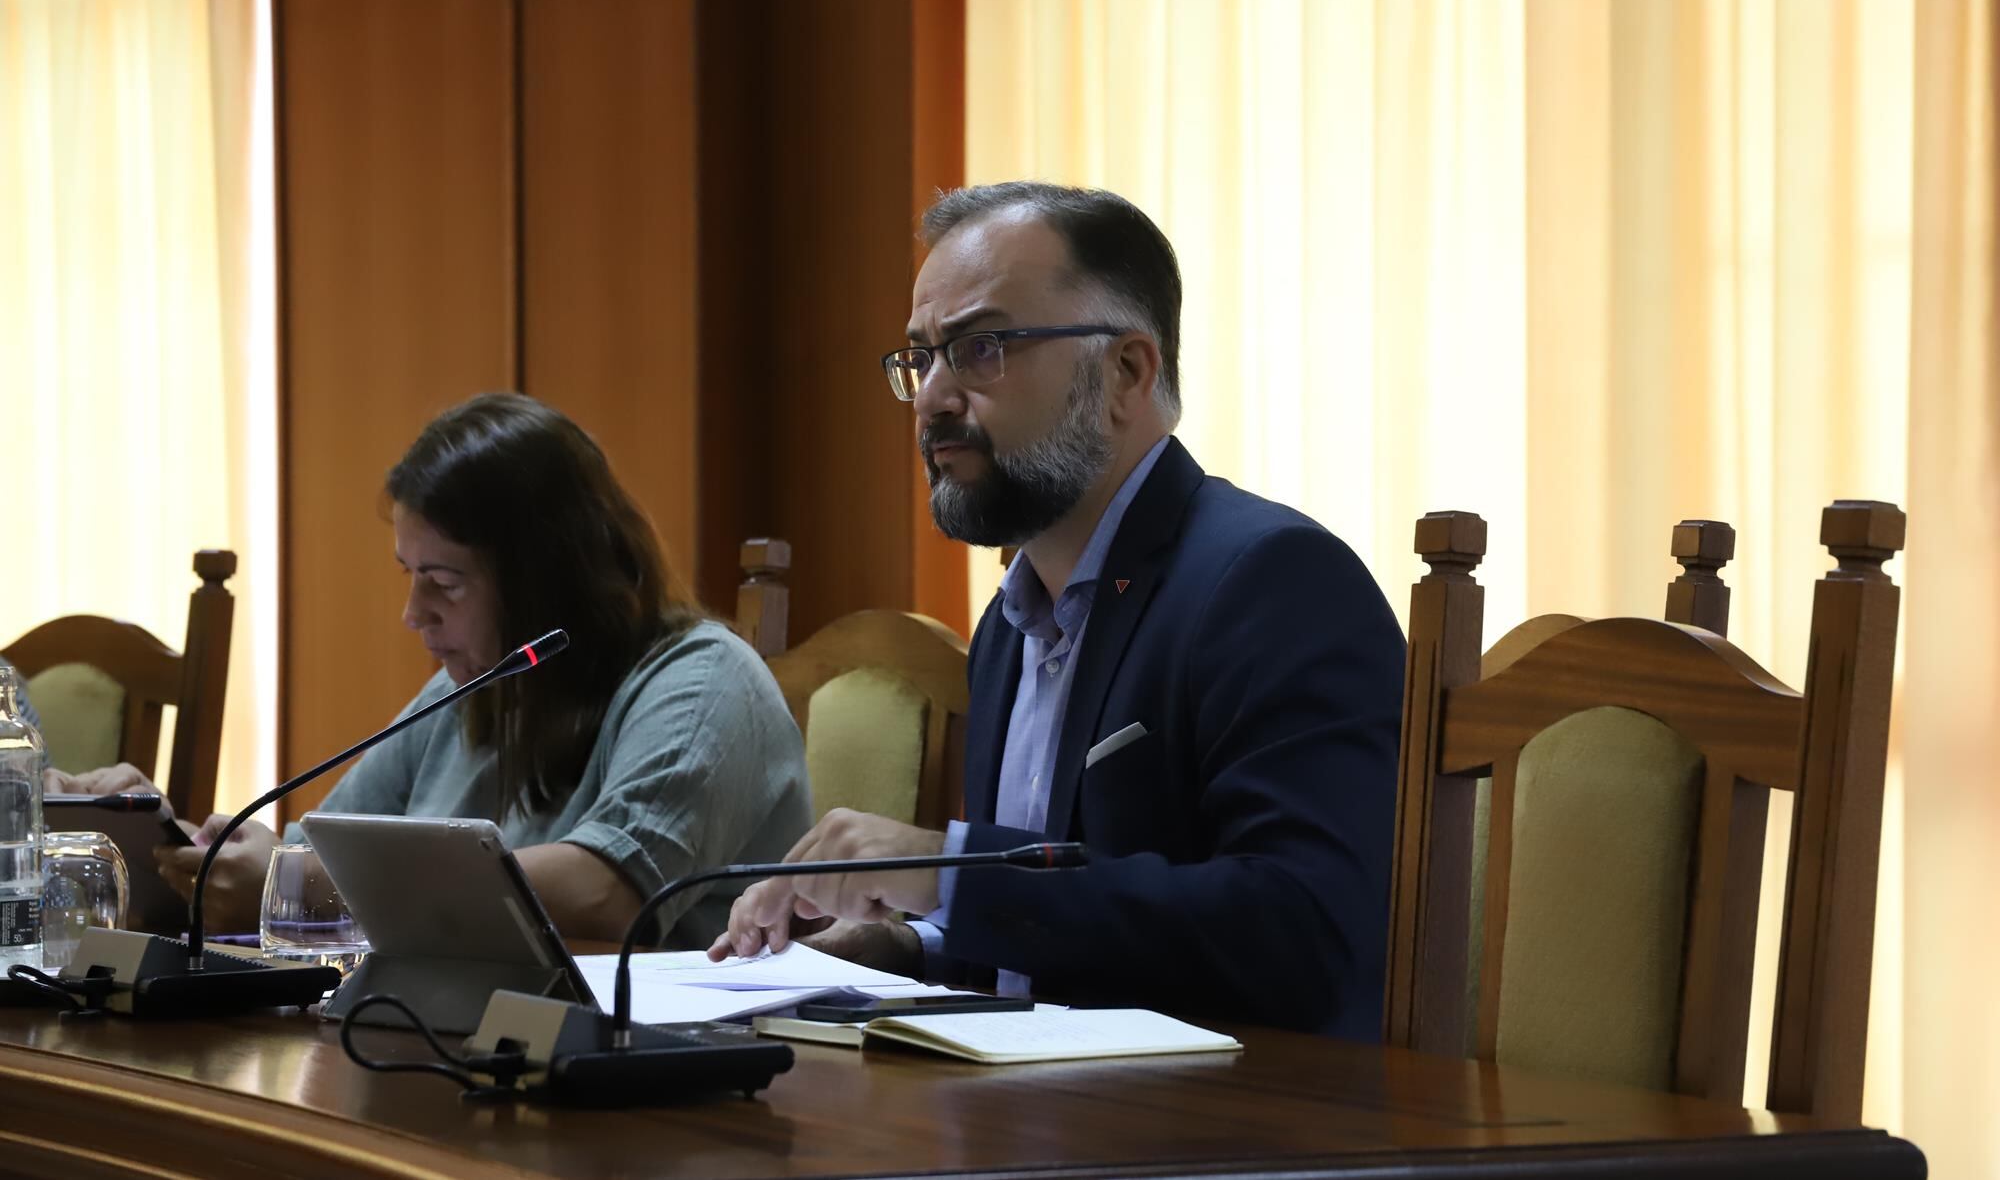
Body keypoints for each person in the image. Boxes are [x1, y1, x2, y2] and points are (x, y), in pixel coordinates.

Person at [711, 183, 1406, 1039]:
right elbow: (1042, 946)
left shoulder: (1272, 581)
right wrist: (907, 944)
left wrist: (949, 875)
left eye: (982, 347)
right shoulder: (1009, 626)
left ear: (1126, 372)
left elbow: (1306, 930)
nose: (931, 397)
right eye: (922, 356)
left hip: (1227, 1132)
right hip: (1035, 1109)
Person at [49, 394, 813, 944]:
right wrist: (170, 841)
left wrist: (307, 886)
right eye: (408, 575)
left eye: (444, 583)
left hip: (667, 1097)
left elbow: (604, 893)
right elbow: (321, 854)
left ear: (549, 579)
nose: (413, 614)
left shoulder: (704, 681)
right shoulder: (480, 684)